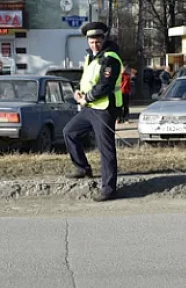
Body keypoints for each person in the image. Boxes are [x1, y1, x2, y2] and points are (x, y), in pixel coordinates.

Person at [62, 21, 124, 202]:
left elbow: (105, 85)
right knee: (69, 132)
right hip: (90, 107)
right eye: (91, 41)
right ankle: (82, 168)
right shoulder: (92, 57)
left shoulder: (110, 58)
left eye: (98, 41)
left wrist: (86, 98)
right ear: (87, 41)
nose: (94, 44)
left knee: (105, 149)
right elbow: (87, 79)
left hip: (105, 108)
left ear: (104, 39)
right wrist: (78, 91)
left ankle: (109, 189)